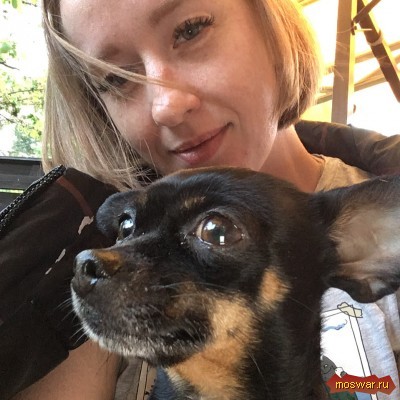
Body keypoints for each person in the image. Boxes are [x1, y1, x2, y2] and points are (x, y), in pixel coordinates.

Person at [11, 0, 400, 399]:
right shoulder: (73, 265)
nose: (167, 106)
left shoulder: (365, 228)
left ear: (271, 24)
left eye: (190, 30)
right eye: (115, 78)